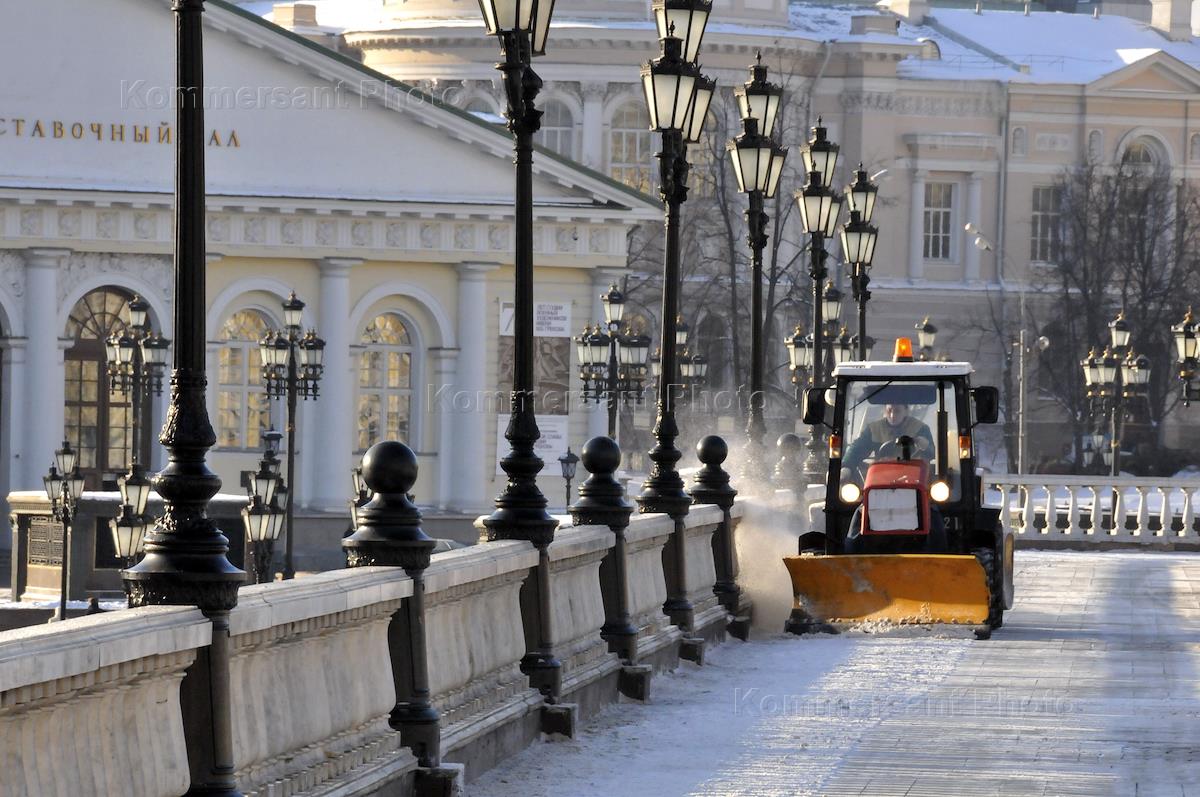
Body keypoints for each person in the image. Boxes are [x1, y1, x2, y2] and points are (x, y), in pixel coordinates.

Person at [842, 403, 936, 479]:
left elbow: (932, 453)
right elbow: (857, 449)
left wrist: (926, 447)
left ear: (906, 411)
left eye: (897, 411)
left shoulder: (920, 428)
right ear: (884, 410)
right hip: (881, 474)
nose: (892, 415)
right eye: (889, 410)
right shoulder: (874, 429)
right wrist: (846, 466)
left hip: (912, 475)